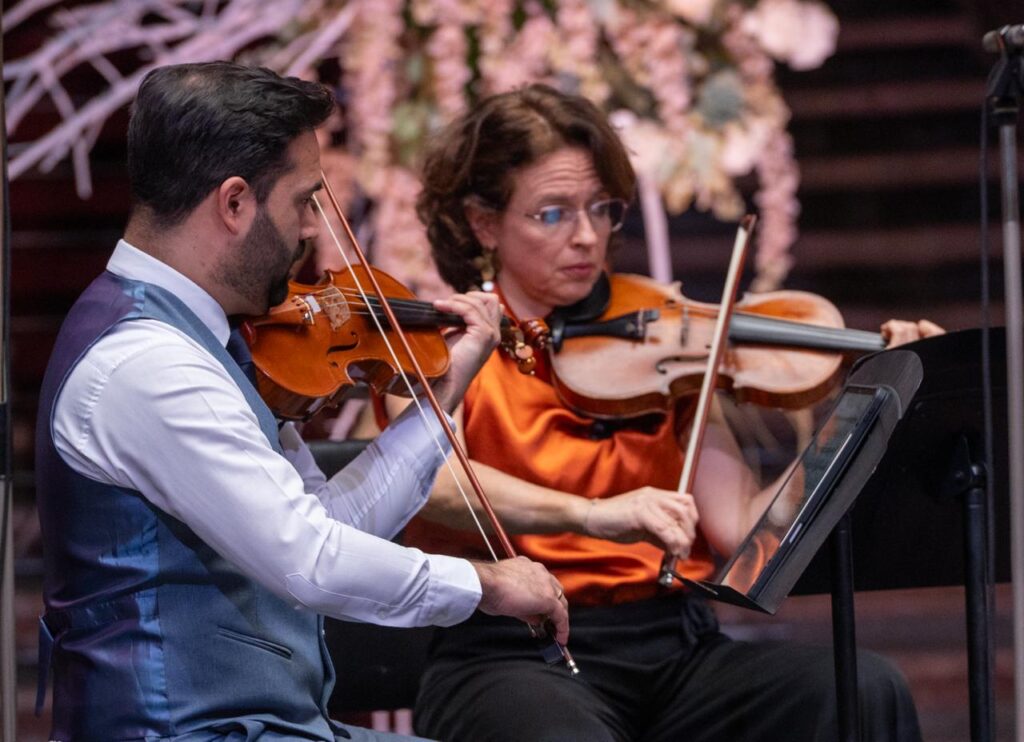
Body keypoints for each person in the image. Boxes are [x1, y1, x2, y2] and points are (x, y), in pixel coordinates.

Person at [389, 84, 943, 741]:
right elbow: (431, 481)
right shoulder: (437, 345)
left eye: (602, 208)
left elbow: (742, 527)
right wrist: (594, 515)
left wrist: (853, 418)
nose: (587, 237)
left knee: (860, 690)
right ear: (484, 224)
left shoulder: (661, 343)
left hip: (674, 645)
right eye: (552, 214)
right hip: (510, 651)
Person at [33, 62, 569, 742]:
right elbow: (311, 561)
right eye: (305, 201)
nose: (314, 229)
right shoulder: (150, 365)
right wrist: (485, 584)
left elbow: (331, 522)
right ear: (234, 204)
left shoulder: (214, 340)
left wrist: (445, 389)